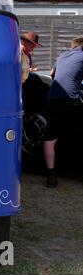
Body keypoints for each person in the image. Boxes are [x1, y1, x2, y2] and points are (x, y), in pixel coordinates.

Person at [43, 37, 83, 187]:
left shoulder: (61, 56)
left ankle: (51, 176)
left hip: (52, 101)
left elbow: (53, 74)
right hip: (70, 103)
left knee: (50, 138)